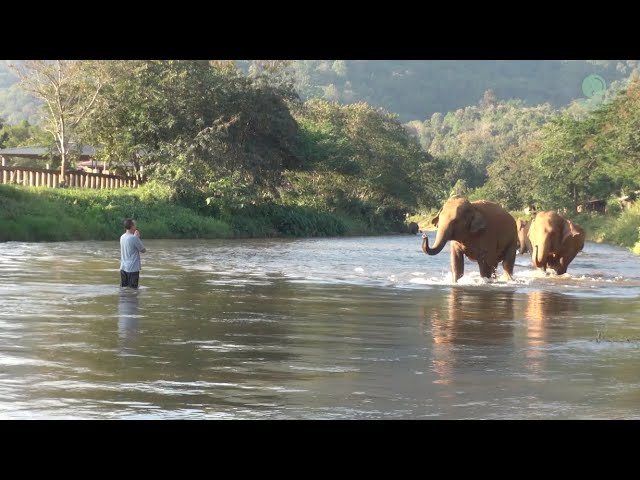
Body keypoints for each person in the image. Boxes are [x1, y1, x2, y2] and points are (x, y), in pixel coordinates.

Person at [120, 218, 146, 288]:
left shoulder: (122, 237)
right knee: (133, 291)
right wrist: (137, 238)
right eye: (135, 224)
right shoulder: (134, 238)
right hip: (133, 268)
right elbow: (143, 250)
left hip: (123, 267)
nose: (136, 225)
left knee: (124, 289)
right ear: (132, 226)